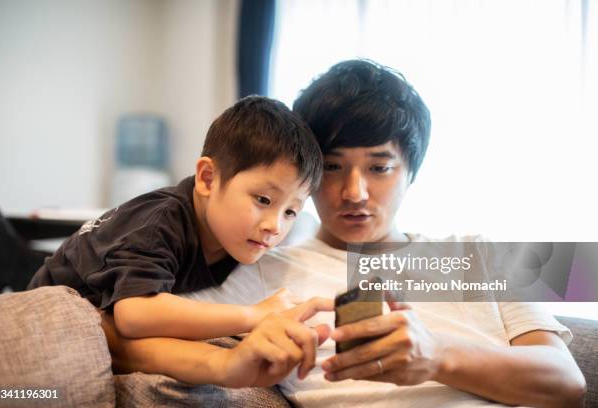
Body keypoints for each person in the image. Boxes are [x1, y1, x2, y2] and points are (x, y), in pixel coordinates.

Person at [102, 60, 587, 407]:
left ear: (411, 171)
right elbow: (119, 334)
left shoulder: (480, 254)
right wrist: (226, 366)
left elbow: (566, 383)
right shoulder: (261, 268)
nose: (353, 192)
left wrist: (437, 356)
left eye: (379, 167)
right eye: (332, 167)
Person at [27, 95, 335, 383]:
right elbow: (135, 314)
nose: (275, 226)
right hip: (44, 322)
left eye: (291, 212)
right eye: (264, 200)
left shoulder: (233, 236)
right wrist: (254, 315)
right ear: (207, 179)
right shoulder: (161, 222)